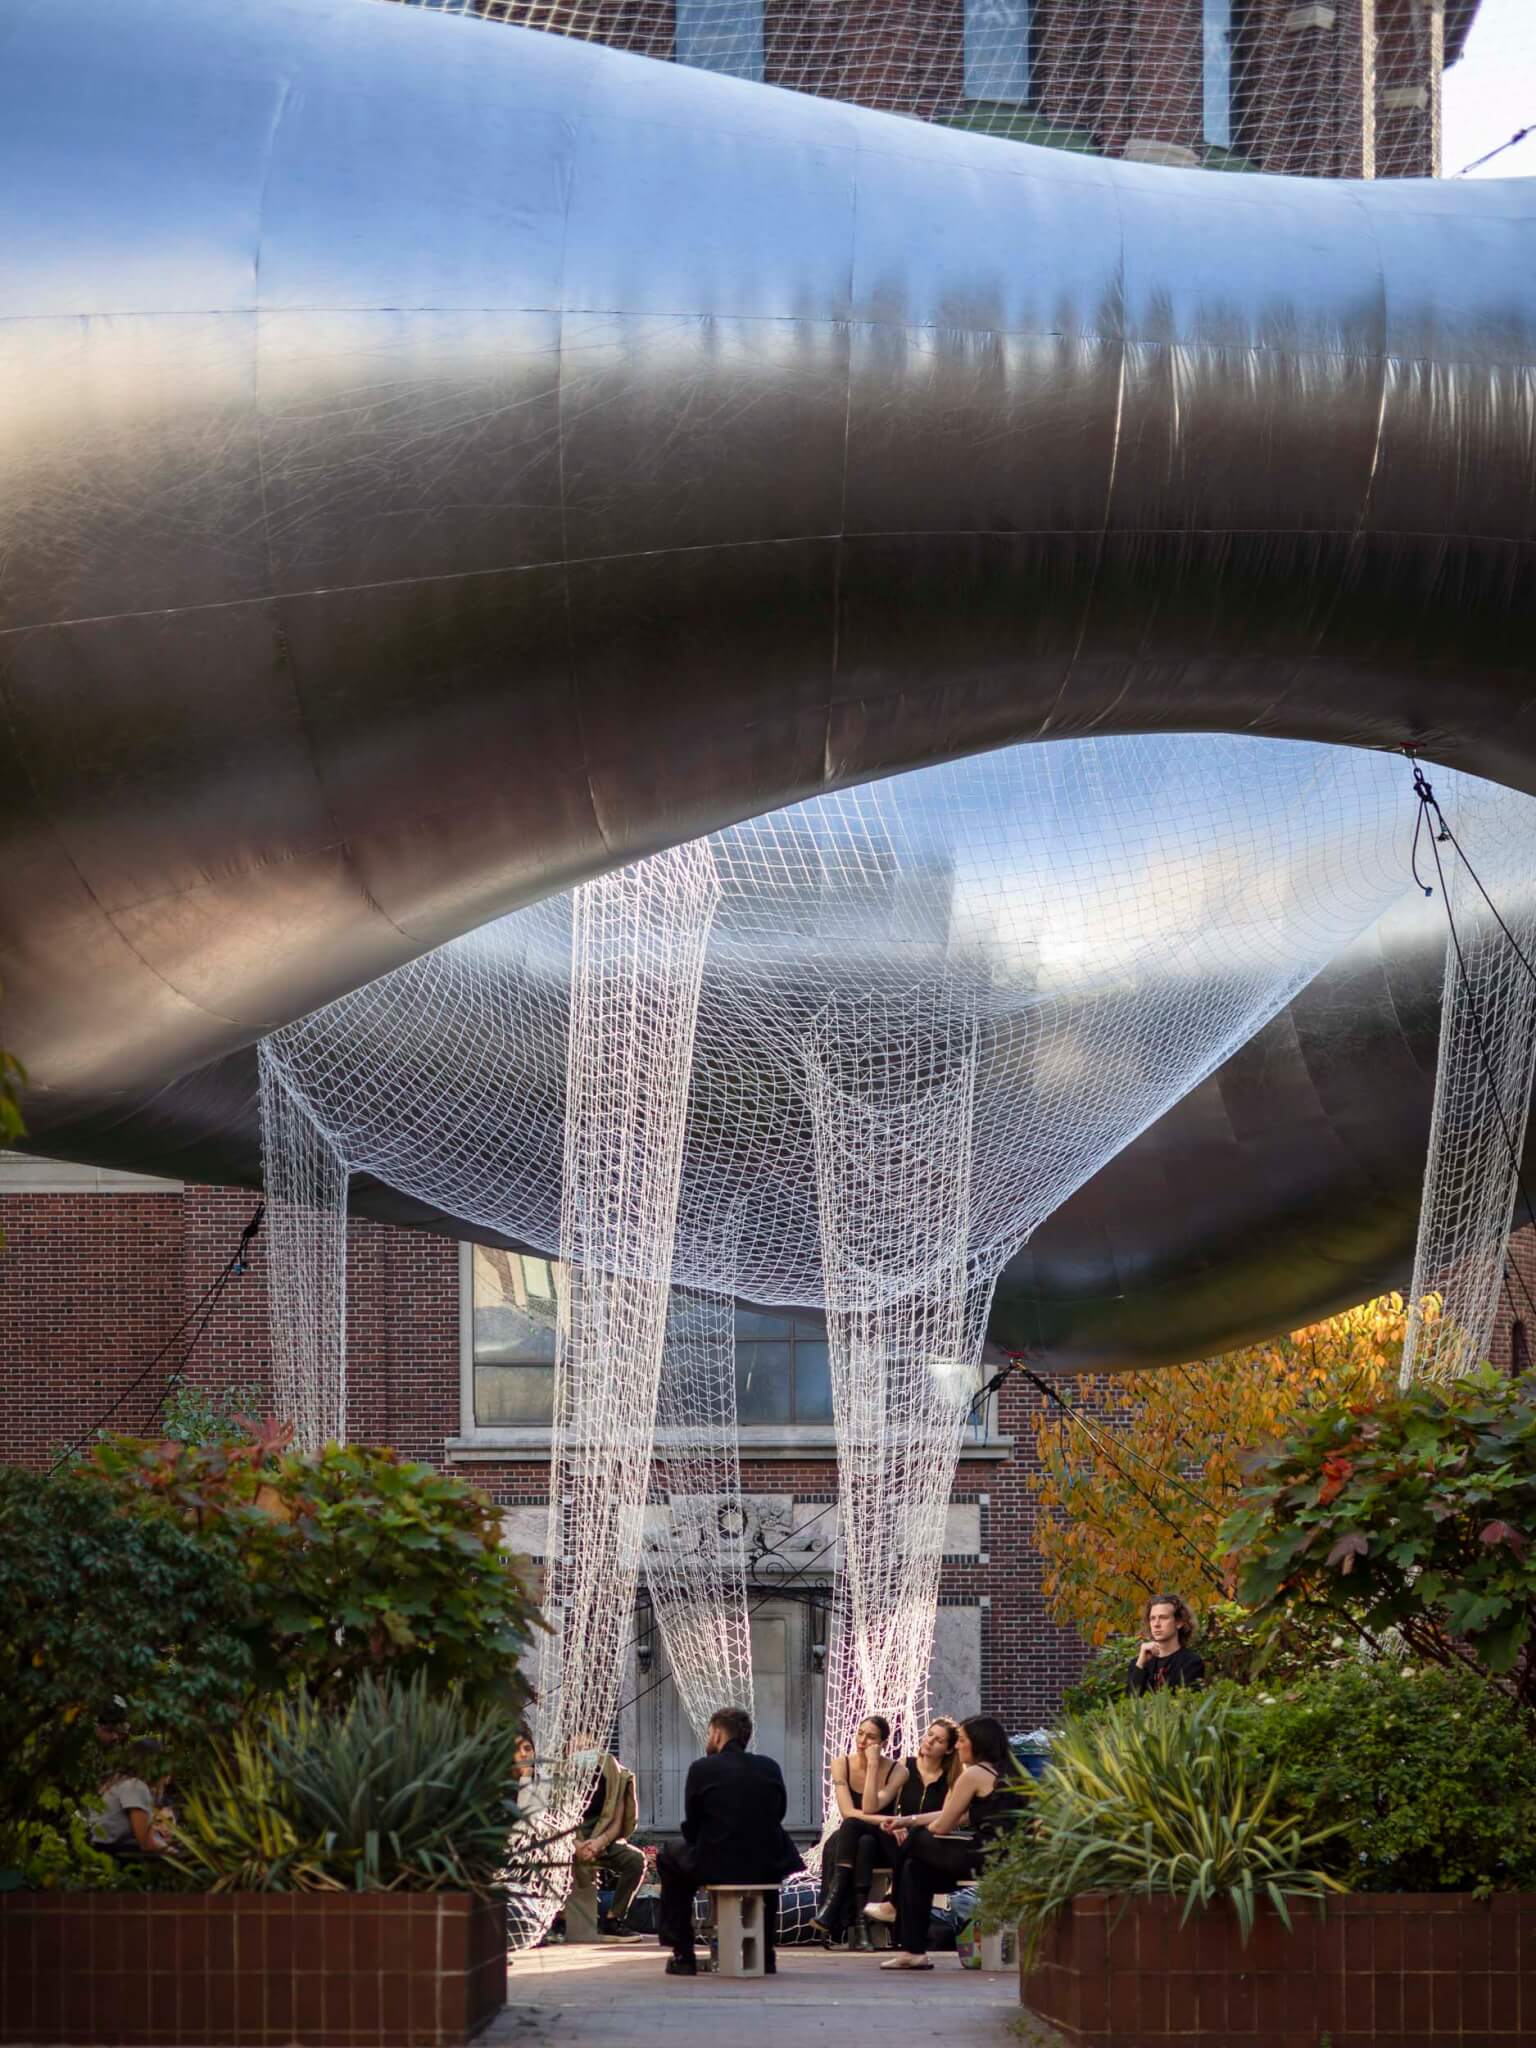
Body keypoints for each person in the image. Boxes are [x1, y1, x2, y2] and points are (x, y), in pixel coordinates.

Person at [864, 1715, 1022, 1971]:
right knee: (915, 1870)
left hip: (986, 1856)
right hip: (1000, 1855)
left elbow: (944, 1825)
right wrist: (906, 1820)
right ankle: (914, 1952)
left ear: (978, 1744)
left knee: (918, 1839)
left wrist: (916, 1829)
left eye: (961, 1741)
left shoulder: (973, 1774)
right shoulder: (1004, 1773)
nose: (958, 1747)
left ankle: (893, 1903)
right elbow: (957, 1814)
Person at [656, 1705, 804, 1977]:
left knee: (668, 1855)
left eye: (709, 1733)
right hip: (766, 1862)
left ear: (717, 1735)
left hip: (718, 1862)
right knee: (763, 1861)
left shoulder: (702, 1768)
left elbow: (692, 1825)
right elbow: (778, 1813)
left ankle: (683, 1953)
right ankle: (765, 1954)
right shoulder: (770, 1767)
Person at [812, 1716, 958, 1949]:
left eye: (938, 1740)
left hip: (903, 1839)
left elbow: (869, 1808)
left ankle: (835, 1904)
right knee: (860, 1836)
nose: (863, 1741)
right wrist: (891, 1822)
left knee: (859, 1832)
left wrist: (900, 1822)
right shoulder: (847, 1763)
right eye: (860, 1733)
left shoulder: (902, 1770)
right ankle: (860, 1926)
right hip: (871, 1834)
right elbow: (850, 1812)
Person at [568, 1732, 646, 1936]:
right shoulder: (559, 1773)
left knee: (635, 1860)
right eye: (577, 1746)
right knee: (557, 1859)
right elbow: (555, 1819)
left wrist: (599, 1843)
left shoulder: (612, 1773)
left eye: (587, 1745)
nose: (582, 1750)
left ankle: (614, 1918)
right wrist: (577, 1845)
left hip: (603, 1836)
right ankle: (561, 1920)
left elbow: (617, 1821)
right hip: (570, 1839)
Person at [86, 1698, 170, 1860]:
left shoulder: (122, 1782)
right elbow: (147, 1843)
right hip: (106, 1851)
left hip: (103, 1846)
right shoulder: (134, 1786)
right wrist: (180, 1854)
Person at [1127, 1593, 1205, 1694]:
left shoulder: (1191, 1662)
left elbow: (1185, 1703)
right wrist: (1140, 1664)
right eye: (1152, 1618)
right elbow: (1129, 1703)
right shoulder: (1138, 1663)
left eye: (1163, 1617)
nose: (1156, 1624)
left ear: (1179, 1622)